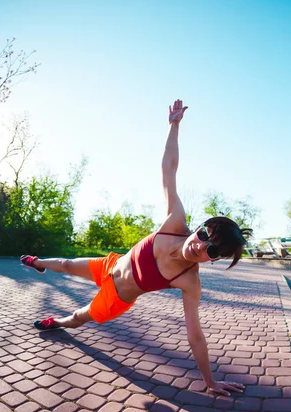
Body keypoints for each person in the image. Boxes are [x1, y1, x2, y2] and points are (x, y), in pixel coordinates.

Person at [21, 100, 252, 396]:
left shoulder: (189, 282)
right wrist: (174, 125)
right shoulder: (175, 221)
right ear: (200, 227)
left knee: (78, 319)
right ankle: (40, 263)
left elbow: (195, 336)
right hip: (110, 265)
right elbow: (169, 168)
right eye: (205, 233)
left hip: (116, 297)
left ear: (213, 261)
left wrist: (211, 382)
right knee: (66, 264)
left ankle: (57, 322)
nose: (201, 245)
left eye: (213, 251)